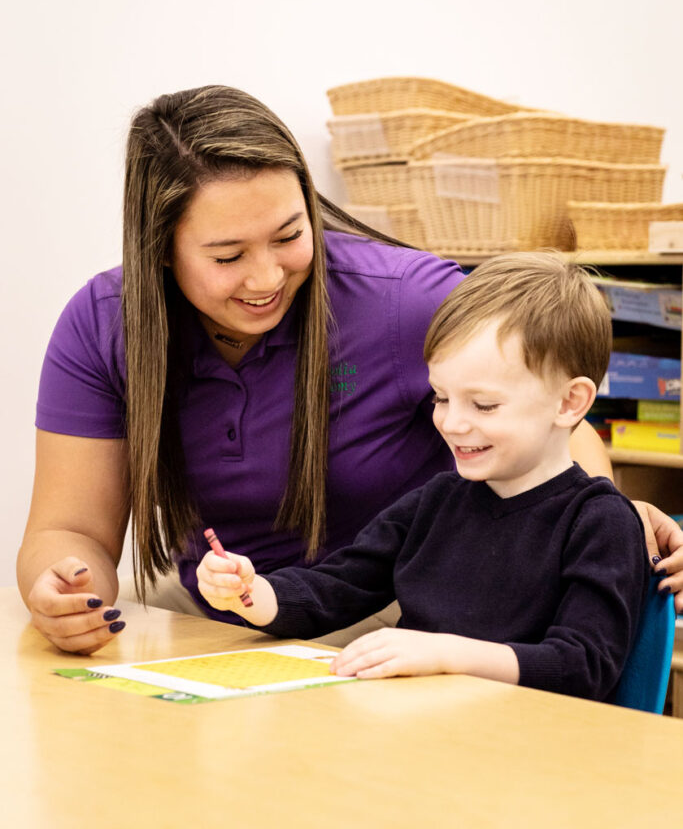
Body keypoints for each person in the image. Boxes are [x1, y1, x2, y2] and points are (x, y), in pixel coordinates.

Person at [17, 86, 683, 656]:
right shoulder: (104, 324)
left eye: (287, 235)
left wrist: (602, 524)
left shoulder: (401, 300)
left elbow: (560, 427)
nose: (266, 276)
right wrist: (63, 587)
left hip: (392, 615)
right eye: (227, 256)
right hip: (213, 617)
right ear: (158, 250)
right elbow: (68, 530)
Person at [197, 253, 651, 701]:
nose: (452, 423)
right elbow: (337, 587)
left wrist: (445, 654)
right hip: (420, 734)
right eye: (441, 398)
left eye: (484, 405)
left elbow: (583, 666)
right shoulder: (435, 501)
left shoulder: (601, 523)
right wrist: (250, 592)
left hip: (524, 752)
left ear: (570, 402)